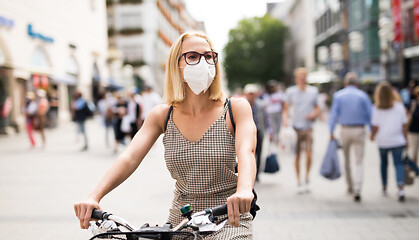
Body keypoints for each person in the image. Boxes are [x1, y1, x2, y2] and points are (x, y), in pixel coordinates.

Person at [74, 32, 257, 238]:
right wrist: (94, 196)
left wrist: (244, 190)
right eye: (193, 57)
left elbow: (246, 151)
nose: (204, 62)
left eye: (208, 56)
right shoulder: (162, 115)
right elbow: (129, 157)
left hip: (228, 216)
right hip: (182, 220)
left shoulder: (235, 109)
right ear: (176, 65)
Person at [328, 72, 372, 202]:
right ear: (357, 83)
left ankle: (350, 185)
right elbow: (370, 115)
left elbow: (333, 115)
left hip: (345, 130)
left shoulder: (338, 95)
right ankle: (358, 188)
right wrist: (372, 131)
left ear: (346, 83)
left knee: (346, 160)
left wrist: (331, 132)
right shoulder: (363, 96)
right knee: (359, 160)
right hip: (359, 129)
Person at [283, 67, 319, 194]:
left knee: (309, 154)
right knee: (297, 155)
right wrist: (286, 120)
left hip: (308, 127)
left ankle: (307, 178)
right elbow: (285, 109)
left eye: (304, 76)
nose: (302, 79)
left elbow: (317, 108)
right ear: (296, 78)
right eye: (300, 77)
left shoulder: (313, 91)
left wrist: (313, 114)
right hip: (295, 128)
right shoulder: (291, 92)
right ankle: (298, 181)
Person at [370, 81, 408, 202]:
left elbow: (375, 126)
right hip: (397, 140)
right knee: (398, 164)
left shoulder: (376, 107)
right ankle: (401, 187)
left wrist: (372, 136)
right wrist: (405, 139)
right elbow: (404, 125)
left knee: (384, 164)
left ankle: (384, 187)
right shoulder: (399, 107)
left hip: (383, 140)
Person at [243, 83, 270, 182]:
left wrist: (269, 131)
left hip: (258, 131)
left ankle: (256, 173)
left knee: (258, 152)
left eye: (253, 93)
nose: (251, 96)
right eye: (249, 93)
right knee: (247, 153)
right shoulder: (241, 105)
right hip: (245, 133)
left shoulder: (261, 105)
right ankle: (247, 173)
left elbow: (266, 119)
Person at [261, 80, 286, 145]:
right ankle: (274, 140)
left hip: (278, 113)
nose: (272, 88)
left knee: (279, 127)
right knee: (272, 128)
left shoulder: (279, 94)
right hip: (270, 114)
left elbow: (284, 104)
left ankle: (277, 140)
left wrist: (284, 113)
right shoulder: (266, 95)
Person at [407, 86, 419, 172]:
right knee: (413, 150)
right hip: (413, 131)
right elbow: (406, 116)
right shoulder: (412, 104)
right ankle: (415, 168)